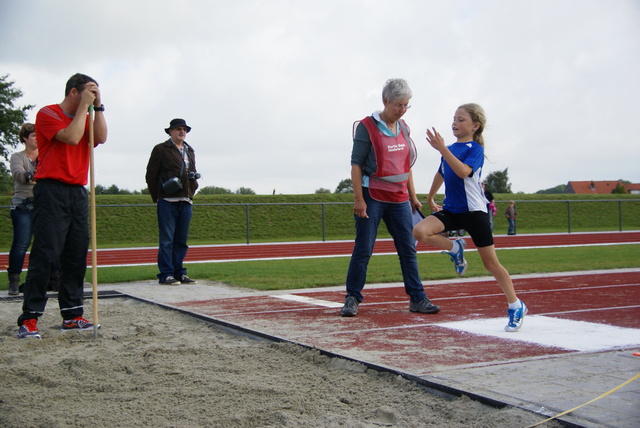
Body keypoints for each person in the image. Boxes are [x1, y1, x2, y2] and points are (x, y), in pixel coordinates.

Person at [412, 103, 527, 332]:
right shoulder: (450, 149)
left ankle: (516, 305)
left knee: (491, 263)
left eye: (461, 119)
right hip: (453, 210)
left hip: (474, 212)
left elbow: (464, 171)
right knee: (419, 231)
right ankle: (455, 249)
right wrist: (431, 196)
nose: (455, 122)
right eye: (454, 118)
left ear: (475, 126)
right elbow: (442, 171)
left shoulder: (474, 149)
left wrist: (443, 149)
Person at [16, 73, 107, 339]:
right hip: (51, 189)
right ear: (73, 93)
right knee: (45, 254)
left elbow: (100, 137)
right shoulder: (48, 114)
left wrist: (98, 107)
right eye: (88, 92)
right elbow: (70, 136)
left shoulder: (88, 116)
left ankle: (72, 314)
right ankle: (30, 317)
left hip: (78, 191)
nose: (91, 97)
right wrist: (83, 109)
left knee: (76, 255)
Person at [340, 78, 439, 317]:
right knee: (364, 248)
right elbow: (355, 165)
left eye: (406, 105)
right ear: (385, 101)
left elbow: (406, 167)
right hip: (371, 196)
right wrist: (358, 199)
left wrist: (413, 197)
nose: (402, 109)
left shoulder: (404, 127)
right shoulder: (367, 126)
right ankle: (352, 298)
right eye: (398, 105)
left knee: (407, 249)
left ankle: (417, 298)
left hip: (399, 198)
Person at [145, 119, 200, 285]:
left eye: (184, 129)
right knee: (167, 240)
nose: (182, 132)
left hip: (185, 200)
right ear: (170, 131)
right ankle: (166, 273)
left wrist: (192, 190)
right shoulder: (161, 149)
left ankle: (179, 272)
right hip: (167, 201)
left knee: (181, 240)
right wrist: (159, 196)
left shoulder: (189, 150)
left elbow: (193, 172)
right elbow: (151, 175)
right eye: (178, 129)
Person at [7, 123, 38, 295]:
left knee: (43, 244)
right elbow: (19, 175)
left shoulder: (46, 155)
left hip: (42, 204)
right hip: (22, 205)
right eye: (33, 136)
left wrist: (31, 176)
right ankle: (13, 279)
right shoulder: (17, 157)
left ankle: (41, 279)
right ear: (25, 138)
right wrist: (39, 176)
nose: (37, 139)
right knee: (21, 243)